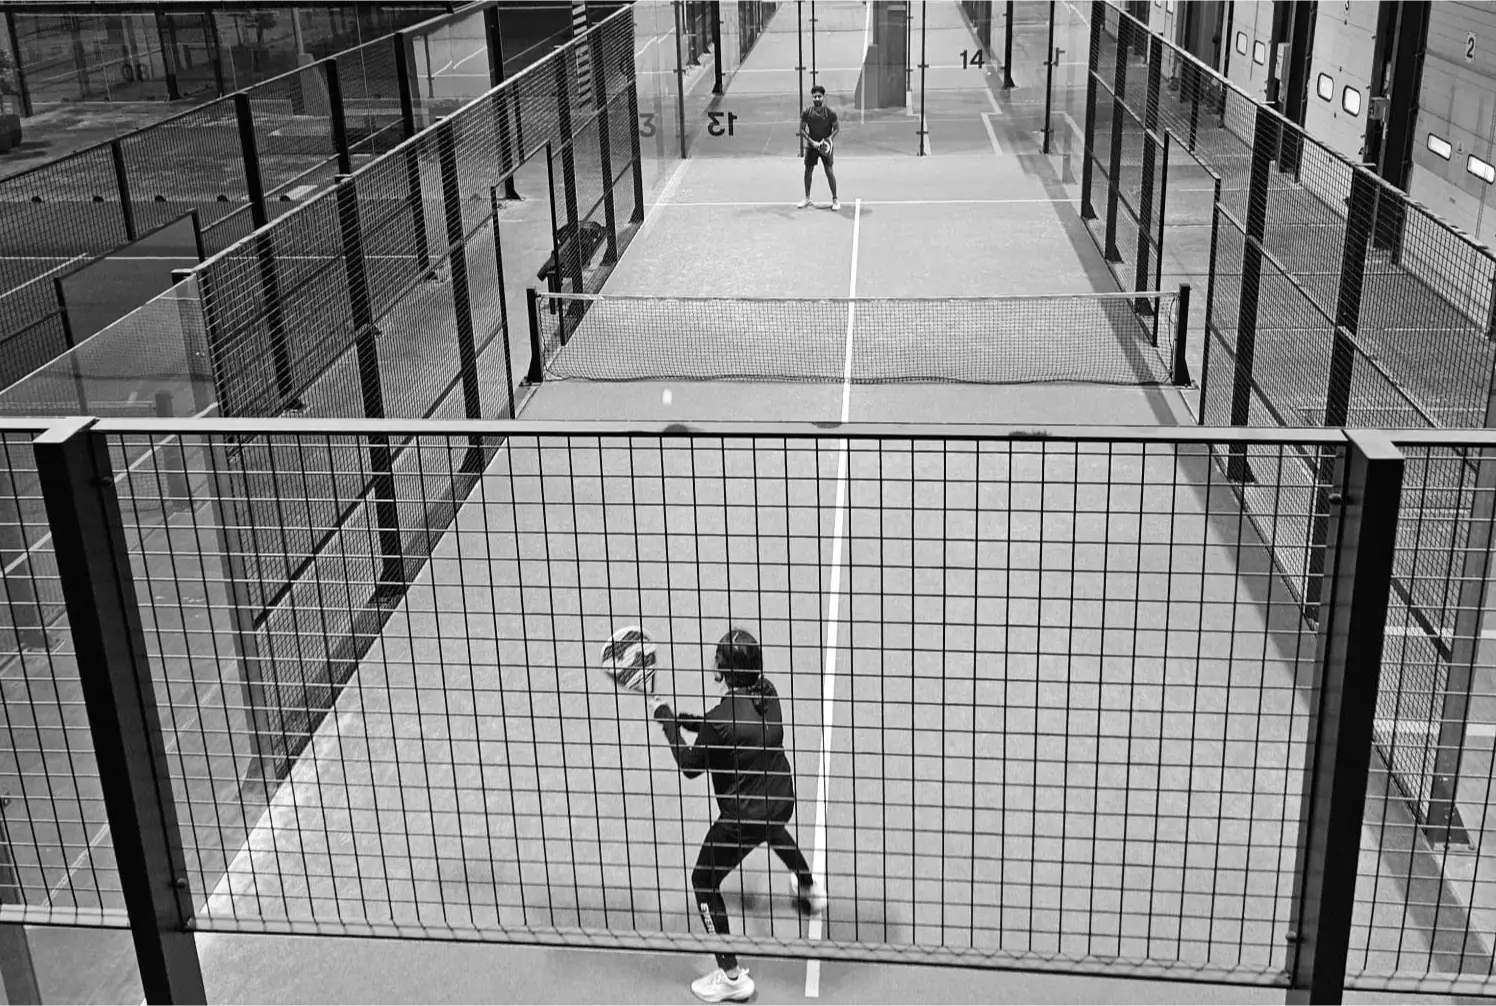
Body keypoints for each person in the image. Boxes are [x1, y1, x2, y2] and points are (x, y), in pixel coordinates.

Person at [653, 627, 829, 1003]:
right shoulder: (768, 693)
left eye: (719, 657)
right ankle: (809, 887)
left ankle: (731, 977)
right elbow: (736, 729)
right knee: (771, 827)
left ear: (725, 671)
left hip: (742, 818)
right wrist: (694, 723)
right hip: (780, 797)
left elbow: (689, 764)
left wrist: (668, 722)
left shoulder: (719, 720)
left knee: (703, 882)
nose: (714, 660)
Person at [798, 84, 840, 211]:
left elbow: (837, 128)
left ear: (823, 97)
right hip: (812, 146)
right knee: (808, 171)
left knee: (829, 171)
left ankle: (835, 199)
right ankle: (807, 198)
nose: (817, 99)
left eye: (819, 96)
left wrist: (828, 141)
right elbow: (801, 130)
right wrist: (812, 142)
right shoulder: (807, 112)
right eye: (815, 97)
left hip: (825, 147)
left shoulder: (830, 113)